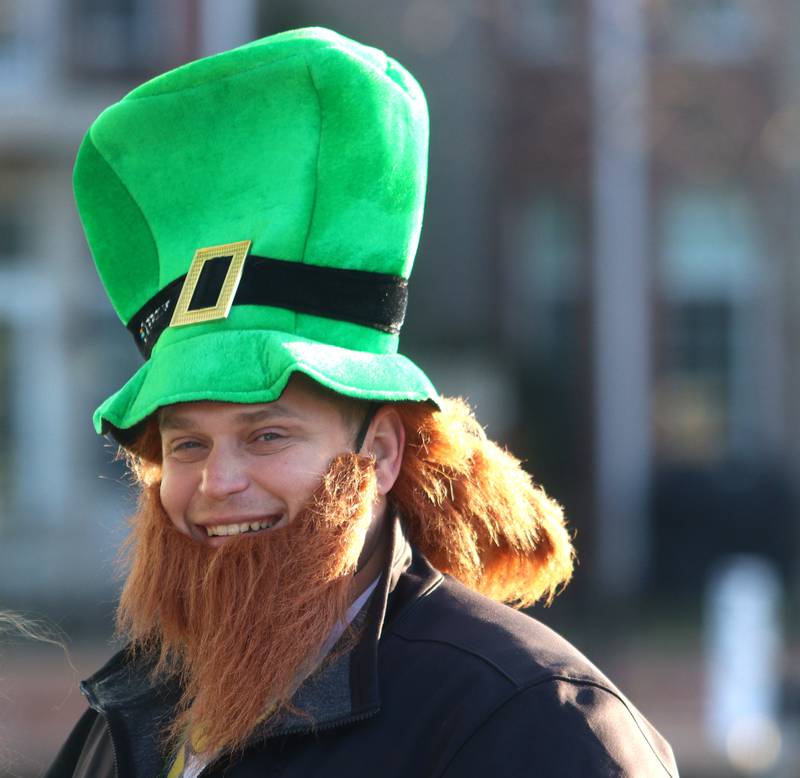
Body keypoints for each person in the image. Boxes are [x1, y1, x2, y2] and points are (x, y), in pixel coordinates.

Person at [47, 27, 678, 777]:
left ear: (378, 452)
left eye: (268, 435)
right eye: (188, 444)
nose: (216, 484)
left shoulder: (528, 724)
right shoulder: (131, 711)